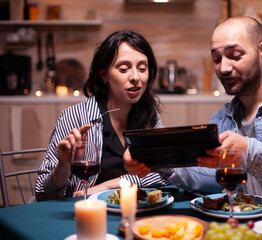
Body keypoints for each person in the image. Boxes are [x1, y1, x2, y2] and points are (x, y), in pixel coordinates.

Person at [124, 16, 262, 203]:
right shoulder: (221, 119)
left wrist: (249, 152)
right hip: (246, 227)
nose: (224, 67)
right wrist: (155, 162)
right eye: (217, 58)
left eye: (235, 55)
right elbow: (208, 177)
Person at [35, 30, 168, 201]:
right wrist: (64, 166)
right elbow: (43, 195)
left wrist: (111, 184)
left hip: (133, 213)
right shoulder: (76, 116)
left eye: (142, 68)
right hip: (81, 215)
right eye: (124, 69)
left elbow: (165, 174)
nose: (136, 77)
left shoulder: (150, 114)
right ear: (104, 74)